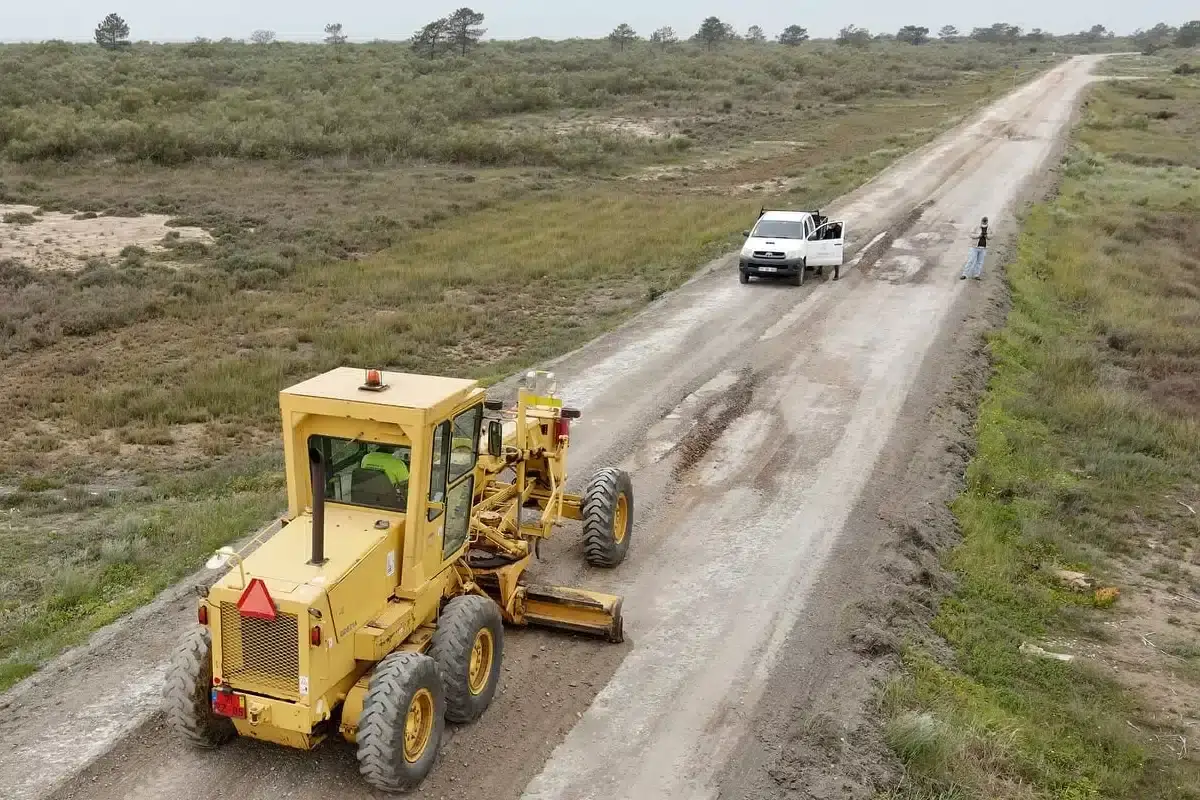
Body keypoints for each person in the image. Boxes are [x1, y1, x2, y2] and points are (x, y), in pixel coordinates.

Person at [960, 216, 989, 280]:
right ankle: (964, 274)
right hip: (974, 247)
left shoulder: (989, 228)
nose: (984, 222)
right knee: (971, 260)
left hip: (983, 247)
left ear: (987, 221)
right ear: (981, 221)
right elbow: (970, 234)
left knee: (980, 262)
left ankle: (976, 275)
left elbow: (992, 236)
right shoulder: (976, 227)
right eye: (983, 221)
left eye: (985, 221)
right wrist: (979, 236)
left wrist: (987, 236)